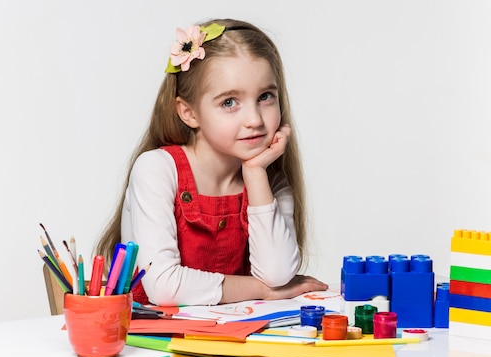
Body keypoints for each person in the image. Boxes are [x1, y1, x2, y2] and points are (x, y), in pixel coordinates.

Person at [95, 18, 328, 306]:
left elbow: (278, 274)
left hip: (235, 342)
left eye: (265, 97)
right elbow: (164, 287)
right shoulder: (157, 169)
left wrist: (255, 173)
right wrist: (261, 290)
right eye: (229, 102)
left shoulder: (269, 182)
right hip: (154, 342)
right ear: (188, 113)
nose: (255, 120)